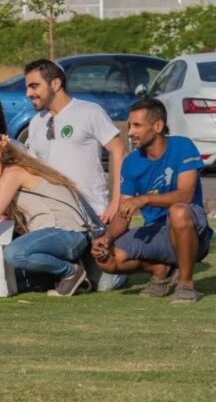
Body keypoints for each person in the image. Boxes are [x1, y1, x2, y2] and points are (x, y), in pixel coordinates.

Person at [90, 99, 212, 304]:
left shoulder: (182, 146)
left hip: (192, 230)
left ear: (158, 126)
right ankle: (160, 269)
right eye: (129, 125)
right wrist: (107, 238)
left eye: (137, 125)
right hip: (156, 230)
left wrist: (145, 199)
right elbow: (123, 212)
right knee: (107, 259)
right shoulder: (130, 163)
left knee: (178, 211)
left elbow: (186, 195)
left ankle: (186, 285)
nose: (130, 132)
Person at [23, 58, 127, 291]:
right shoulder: (35, 123)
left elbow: (119, 150)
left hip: (94, 216)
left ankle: (117, 262)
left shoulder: (88, 111)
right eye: (28, 87)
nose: (29, 93)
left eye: (34, 86)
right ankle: (72, 269)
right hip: (57, 219)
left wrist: (116, 202)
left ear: (56, 84)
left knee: (107, 285)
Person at [0, 133, 95, 297]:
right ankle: (65, 276)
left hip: (66, 233)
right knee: (12, 275)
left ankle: (71, 272)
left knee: (14, 253)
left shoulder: (13, 173)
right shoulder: (17, 171)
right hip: (66, 235)